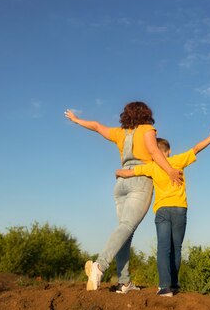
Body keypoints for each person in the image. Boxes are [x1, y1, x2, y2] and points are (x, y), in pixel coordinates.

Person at [65, 102, 183, 293]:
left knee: (125, 231)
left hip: (121, 182)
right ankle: (99, 266)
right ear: (146, 114)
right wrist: (169, 170)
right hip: (139, 179)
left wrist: (76, 120)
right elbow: (154, 151)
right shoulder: (147, 129)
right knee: (127, 227)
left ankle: (124, 282)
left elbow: (95, 125)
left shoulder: (120, 133)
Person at [116, 127, 210, 297]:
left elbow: (130, 172)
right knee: (177, 248)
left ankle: (164, 287)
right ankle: (174, 285)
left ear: (155, 153)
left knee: (163, 247)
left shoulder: (151, 166)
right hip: (180, 209)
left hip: (162, 211)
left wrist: (118, 172)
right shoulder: (178, 160)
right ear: (169, 152)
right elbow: (197, 148)